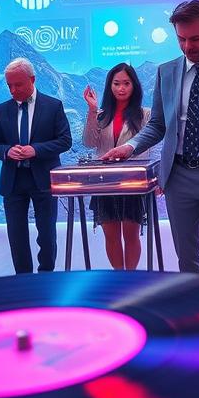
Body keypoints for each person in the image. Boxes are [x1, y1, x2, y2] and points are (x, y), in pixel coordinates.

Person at [102, 0, 199, 280]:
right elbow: (158, 125)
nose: (188, 47)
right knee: (186, 260)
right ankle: (195, 318)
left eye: (195, 38)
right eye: (181, 39)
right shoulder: (167, 71)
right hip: (178, 179)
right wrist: (130, 146)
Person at [0, 58, 71, 274]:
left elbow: (65, 140)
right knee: (16, 235)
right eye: (9, 86)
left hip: (43, 178)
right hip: (13, 181)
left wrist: (37, 150)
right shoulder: (2, 110)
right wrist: (6, 152)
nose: (13, 90)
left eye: (18, 85)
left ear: (32, 80)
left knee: (46, 234)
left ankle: (46, 277)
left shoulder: (53, 106)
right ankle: (23, 280)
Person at [82, 64, 151, 270]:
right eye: (116, 83)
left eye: (126, 83)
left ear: (134, 86)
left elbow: (148, 146)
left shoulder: (144, 114)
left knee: (131, 235)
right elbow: (88, 142)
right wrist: (92, 110)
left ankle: (130, 279)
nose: (121, 88)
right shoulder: (101, 115)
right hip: (104, 183)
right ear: (109, 86)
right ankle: (118, 278)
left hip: (132, 182)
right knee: (111, 236)